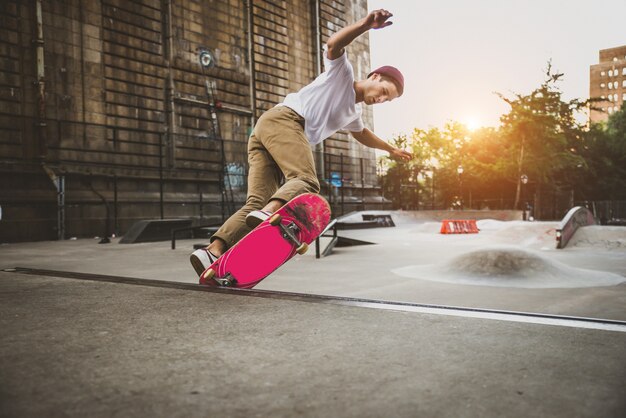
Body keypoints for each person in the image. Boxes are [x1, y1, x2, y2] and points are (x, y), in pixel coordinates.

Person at [190, 8, 412, 276]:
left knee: (255, 203)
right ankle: (270, 212)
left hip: (265, 132)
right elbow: (333, 44)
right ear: (374, 76)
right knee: (306, 181)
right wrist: (366, 24)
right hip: (286, 121)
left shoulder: (352, 113)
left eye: (388, 100)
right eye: (385, 92)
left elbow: (363, 134)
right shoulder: (341, 73)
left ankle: (211, 251)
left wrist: (390, 149)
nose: (382, 99)